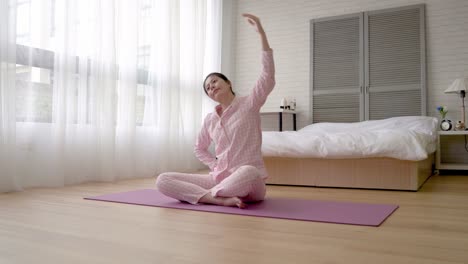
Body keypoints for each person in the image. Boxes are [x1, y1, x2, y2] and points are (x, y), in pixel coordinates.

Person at [156, 13, 275, 209]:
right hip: (219, 178)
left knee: (249, 170)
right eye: (208, 88)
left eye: (214, 81)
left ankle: (207, 195)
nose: (211, 87)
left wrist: (261, 34)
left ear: (228, 83)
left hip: (250, 183)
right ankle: (216, 198)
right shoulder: (210, 119)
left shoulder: (250, 103)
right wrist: (214, 165)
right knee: (163, 179)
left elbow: (267, 76)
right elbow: (199, 148)